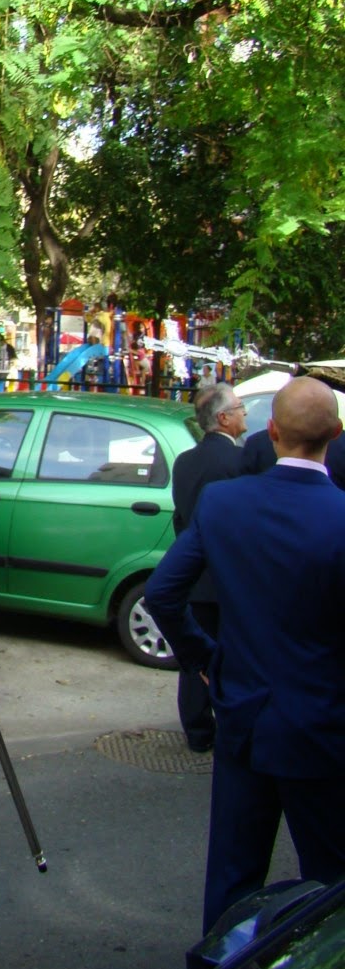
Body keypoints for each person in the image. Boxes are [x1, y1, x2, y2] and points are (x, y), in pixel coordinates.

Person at [145, 377, 345, 935]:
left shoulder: (226, 502)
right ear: (335, 433)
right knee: (331, 882)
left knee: (234, 877)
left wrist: (205, 658)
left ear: (271, 431)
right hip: (322, 723)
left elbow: (162, 593)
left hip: (243, 713)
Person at [169, 383, 247, 752]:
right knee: (234, 656)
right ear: (224, 418)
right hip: (232, 577)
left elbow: (181, 516)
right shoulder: (240, 462)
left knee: (195, 657)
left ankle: (197, 731)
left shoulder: (184, 462)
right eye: (240, 407)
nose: (245, 413)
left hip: (195, 575)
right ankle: (232, 726)